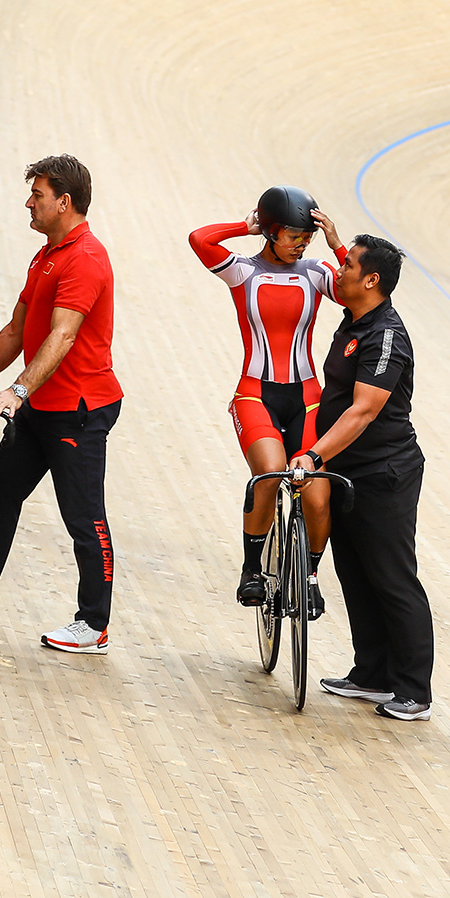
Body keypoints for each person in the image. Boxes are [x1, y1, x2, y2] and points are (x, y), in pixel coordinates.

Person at [0, 155, 121, 652]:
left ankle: (93, 623)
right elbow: (17, 331)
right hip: (41, 403)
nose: (28, 203)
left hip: (79, 407)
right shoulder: (47, 254)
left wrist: (16, 390)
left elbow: (62, 334)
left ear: (65, 201)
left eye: (37, 195)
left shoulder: (84, 258)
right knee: (0, 489)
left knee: (83, 514)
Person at [188, 186, 346, 616]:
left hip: (308, 398)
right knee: (271, 474)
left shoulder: (315, 271)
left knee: (316, 495)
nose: (302, 243)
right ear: (271, 231)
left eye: (307, 236)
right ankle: (252, 569)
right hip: (255, 394)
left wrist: (335, 243)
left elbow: (356, 290)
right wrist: (245, 225)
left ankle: (310, 576)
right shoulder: (242, 271)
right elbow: (200, 239)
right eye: (294, 234)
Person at [305, 237, 434, 720]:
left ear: (371, 280)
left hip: (385, 472)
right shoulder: (357, 317)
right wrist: (340, 240)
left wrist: (314, 456)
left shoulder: (385, 335)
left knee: (393, 577)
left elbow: (363, 410)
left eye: (348, 264)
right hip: (349, 470)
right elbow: (352, 276)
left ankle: (414, 691)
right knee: (356, 573)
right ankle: (373, 674)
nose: (339, 269)